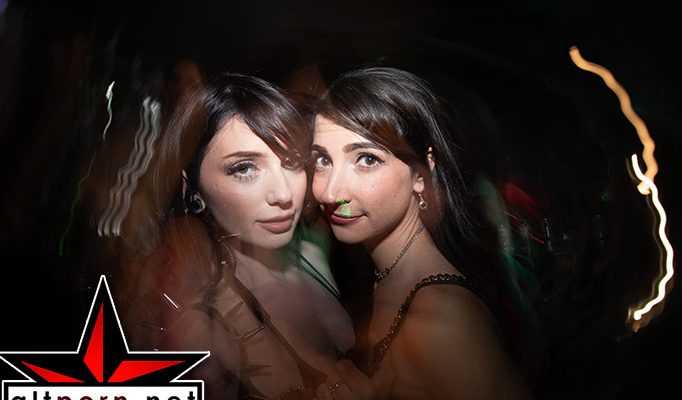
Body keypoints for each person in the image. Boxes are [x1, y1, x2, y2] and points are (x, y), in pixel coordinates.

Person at [117, 72, 355, 400]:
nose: (284, 194)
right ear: (193, 189)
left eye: (292, 162)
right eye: (244, 168)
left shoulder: (315, 249)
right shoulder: (204, 328)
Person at [310, 67, 536, 399]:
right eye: (321, 160)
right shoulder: (387, 276)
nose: (330, 193)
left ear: (420, 173)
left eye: (367, 159)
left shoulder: (442, 322)